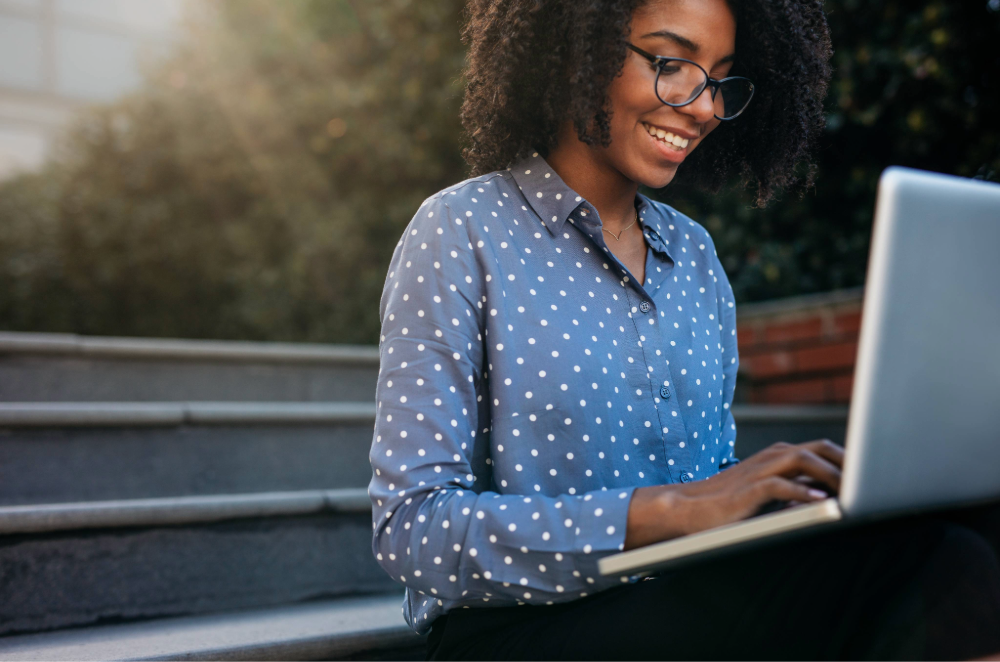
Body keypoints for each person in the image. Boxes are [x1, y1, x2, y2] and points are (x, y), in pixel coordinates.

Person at [368, 0, 1000, 658]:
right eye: (671, 63)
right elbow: (412, 531)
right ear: (572, 50)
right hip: (516, 631)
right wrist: (669, 512)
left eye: (720, 78)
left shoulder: (693, 254)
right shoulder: (461, 231)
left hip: (679, 601)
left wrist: (781, 504)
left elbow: (709, 477)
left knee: (964, 532)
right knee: (932, 567)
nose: (704, 107)